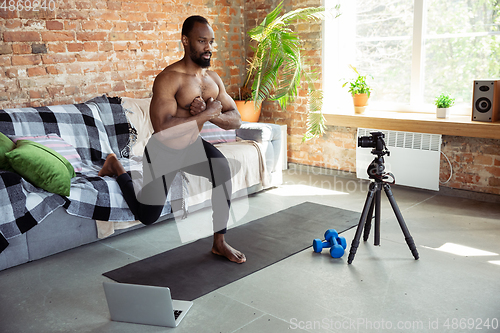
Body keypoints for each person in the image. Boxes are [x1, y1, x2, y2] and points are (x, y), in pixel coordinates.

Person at [99, 15, 246, 264]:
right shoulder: (169, 78)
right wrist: (206, 113)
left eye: (211, 41)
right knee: (148, 215)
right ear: (186, 41)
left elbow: (236, 118)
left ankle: (219, 242)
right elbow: (162, 127)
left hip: (191, 146)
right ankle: (116, 166)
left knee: (221, 168)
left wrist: (211, 117)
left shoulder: (212, 80)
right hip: (163, 151)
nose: (208, 47)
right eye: (202, 41)